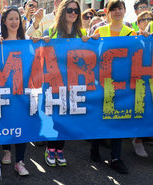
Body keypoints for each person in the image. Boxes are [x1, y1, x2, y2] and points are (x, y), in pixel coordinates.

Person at [91, 0, 142, 174]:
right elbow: (91, 53)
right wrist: (91, 40)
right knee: (100, 116)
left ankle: (115, 157)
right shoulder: (99, 30)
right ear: (108, 12)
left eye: (120, 8)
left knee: (118, 117)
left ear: (124, 10)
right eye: (113, 9)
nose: (117, 12)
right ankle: (94, 149)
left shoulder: (131, 32)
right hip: (102, 80)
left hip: (122, 82)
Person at [42, 0, 87, 167]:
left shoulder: (80, 33)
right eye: (70, 10)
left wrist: (92, 40)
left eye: (76, 11)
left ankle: (60, 149)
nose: (73, 13)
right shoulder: (52, 31)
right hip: (54, 81)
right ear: (63, 11)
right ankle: (50, 148)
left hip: (73, 82)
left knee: (67, 115)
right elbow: (38, 51)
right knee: (55, 116)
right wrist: (42, 40)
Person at [0, 7, 29, 176]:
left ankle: (20, 161)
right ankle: (7, 150)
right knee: (7, 121)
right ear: (4, 22)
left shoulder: (27, 40)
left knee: (22, 123)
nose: (14, 22)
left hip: (22, 91)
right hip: (5, 90)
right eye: (11, 19)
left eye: (17, 19)